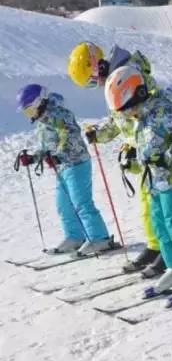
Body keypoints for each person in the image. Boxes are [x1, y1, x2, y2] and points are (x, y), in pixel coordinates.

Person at [104, 66, 172, 301]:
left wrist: (166, 156)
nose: (129, 114)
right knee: (159, 226)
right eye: (125, 111)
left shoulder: (164, 109)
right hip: (154, 181)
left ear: (140, 94)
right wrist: (134, 162)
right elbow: (148, 149)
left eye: (130, 107)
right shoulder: (141, 117)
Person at [68, 41, 164, 276]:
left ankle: (168, 251)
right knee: (147, 206)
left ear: (97, 66)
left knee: (160, 205)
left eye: (92, 80)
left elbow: (151, 112)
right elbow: (120, 119)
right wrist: (99, 134)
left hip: (155, 152)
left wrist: (141, 144)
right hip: (141, 153)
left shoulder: (131, 75)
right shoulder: (115, 78)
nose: (96, 85)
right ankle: (154, 247)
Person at [16, 84, 113, 256]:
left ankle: (100, 238)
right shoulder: (42, 121)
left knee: (82, 203)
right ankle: (75, 237)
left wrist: (58, 156)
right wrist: (33, 157)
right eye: (26, 113)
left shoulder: (60, 115)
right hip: (62, 167)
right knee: (63, 206)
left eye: (30, 110)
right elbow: (47, 146)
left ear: (40, 102)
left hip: (76, 163)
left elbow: (72, 138)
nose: (30, 115)